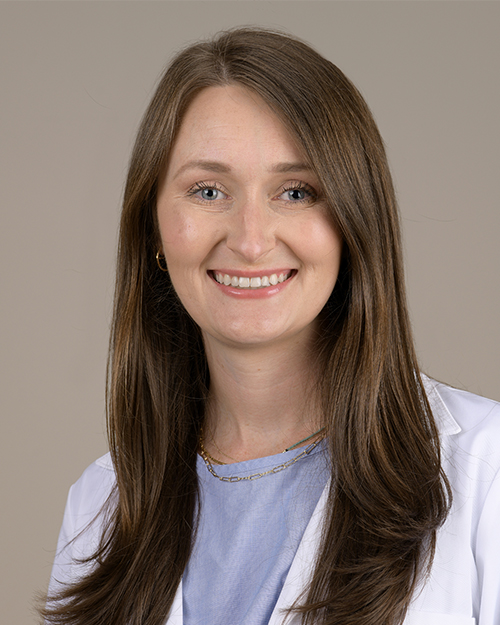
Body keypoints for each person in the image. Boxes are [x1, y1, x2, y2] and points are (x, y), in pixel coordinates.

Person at [42, 27, 500, 625]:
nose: (251, 240)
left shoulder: (488, 470)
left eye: (296, 192)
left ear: (354, 222)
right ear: (153, 227)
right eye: (208, 190)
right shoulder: (99, 506)